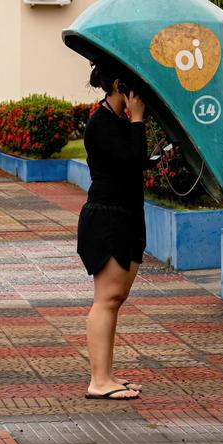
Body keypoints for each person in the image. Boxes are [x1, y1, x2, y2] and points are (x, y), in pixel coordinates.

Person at [77, 57, 152, 400]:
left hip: (123, 217)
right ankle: (98, 381)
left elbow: (136, 162)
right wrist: (137, 119)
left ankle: (106, 376)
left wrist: (136, 122)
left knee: (114, 299)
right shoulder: (102, 123)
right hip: (108, 220)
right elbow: (132, 161)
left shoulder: (114, 120)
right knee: (106, 299)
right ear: (120, 86)